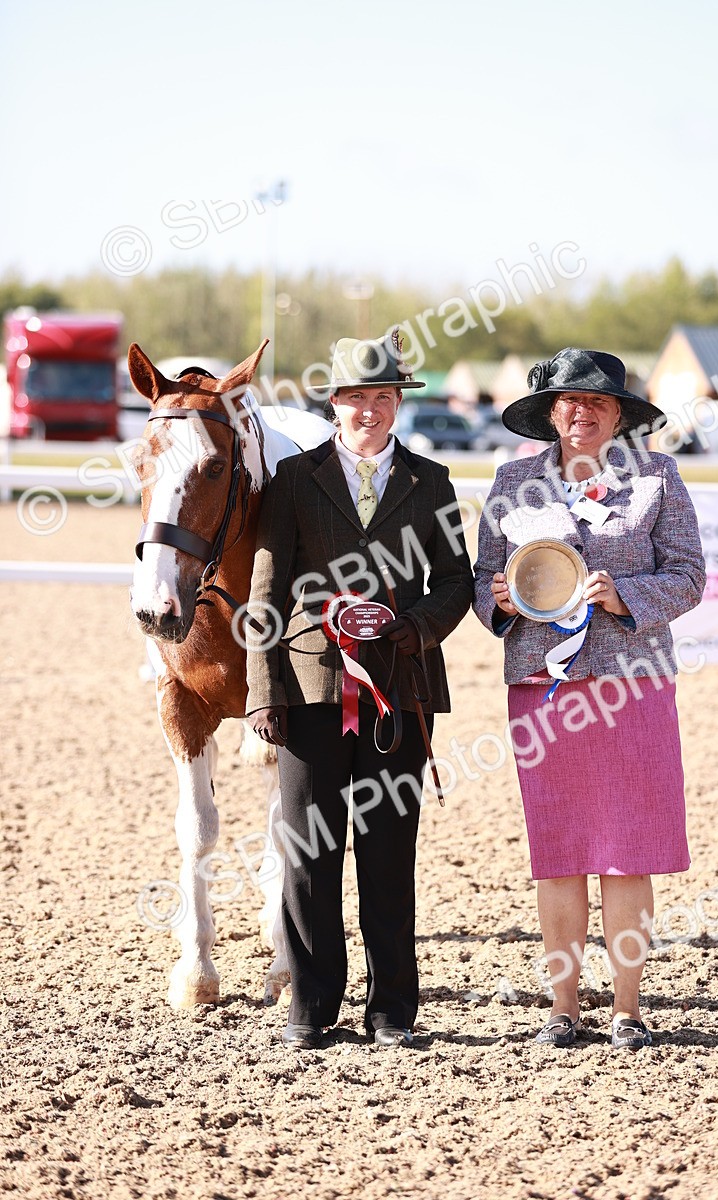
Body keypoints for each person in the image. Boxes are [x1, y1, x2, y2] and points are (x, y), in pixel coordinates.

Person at [246, 328, 473, 1051]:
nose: (369, 410)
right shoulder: (294, 480)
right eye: (355, 398)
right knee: (310, 853)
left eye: (383, 397)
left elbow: (458, 582)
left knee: (387, 852)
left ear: (397, 403)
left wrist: (415, 630)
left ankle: (392, 1012)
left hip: (399, 692)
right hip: (311, 686)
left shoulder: (431, 482)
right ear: (334, 403)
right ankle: (311, 1007)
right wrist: (261, 690)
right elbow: (265, 589)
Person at [473, 348, 706, 1050]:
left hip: (631, 689)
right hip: (544, 691)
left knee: (627, 852)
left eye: (597, 403)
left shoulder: (658, 476)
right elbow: (486, 575)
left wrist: (626, 595)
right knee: (560, 852)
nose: (582, 412)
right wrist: (503, 601)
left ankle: (627, 1009)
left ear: (617, 415)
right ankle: (563, 1007)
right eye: (569, 402)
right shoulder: (512, 482)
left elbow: (690, 574)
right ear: (550, 413)